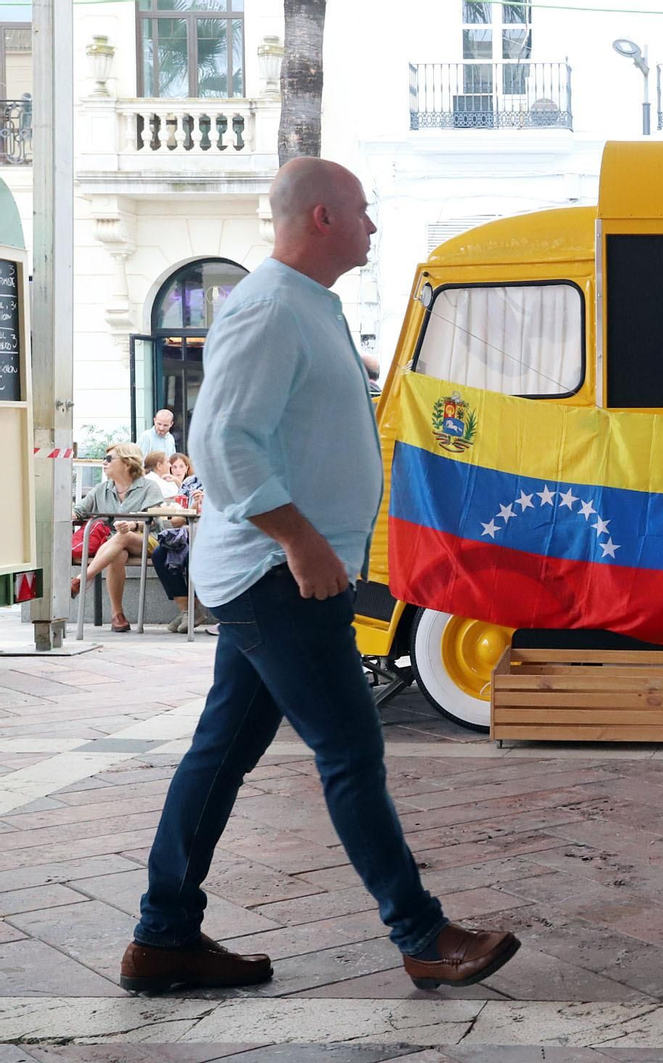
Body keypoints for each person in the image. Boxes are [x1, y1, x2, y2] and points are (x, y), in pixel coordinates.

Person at [120, 157, 520, 995]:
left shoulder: (307, 305)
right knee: (349, 749)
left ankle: (164, 937)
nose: (374, 226)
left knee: (220, 756)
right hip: (281, 575)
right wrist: (301, 540)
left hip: (280, 574)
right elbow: (222, 442)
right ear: (324, 218)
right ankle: (421, 932)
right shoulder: (267, 307)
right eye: (364, 212)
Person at [69, 443, 168, 633]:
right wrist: (69, 514)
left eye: (108, 459)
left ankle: (82, 578)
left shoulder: (148, 486)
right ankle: (117, 615)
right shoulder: (102, 489)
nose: (103, 463)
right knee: (118, 553)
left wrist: (133, 525)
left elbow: (155, 519)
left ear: (127, 463)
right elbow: (79, 510)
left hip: (147, 540)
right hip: (113, 546)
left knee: (123, 537)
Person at [154, 454, 204, 634]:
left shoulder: (225, 480)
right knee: (159, 554)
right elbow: (175, 521)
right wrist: (190, 508)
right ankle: (188, 611)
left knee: (195, 556)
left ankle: (191, 612)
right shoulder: (190, 482)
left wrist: (206, 504)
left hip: (211, 536)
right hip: (186, 533)